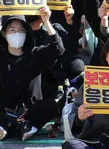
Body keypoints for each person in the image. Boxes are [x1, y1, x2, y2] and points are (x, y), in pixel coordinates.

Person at [0, 8, 64, 141]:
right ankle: (15, 127)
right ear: (4, 33)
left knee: (50, 106)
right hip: (4, 109)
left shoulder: (35, 54)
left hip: (29, 111)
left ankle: (18, 127)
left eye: (21, 30)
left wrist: (46, 21)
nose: (17, 34)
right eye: (13, 30)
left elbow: (58, 48)